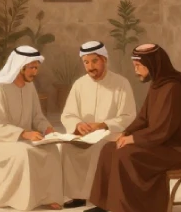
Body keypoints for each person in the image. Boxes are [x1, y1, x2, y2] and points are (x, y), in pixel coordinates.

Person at [88, 43, 181, 212]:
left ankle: (127, 208)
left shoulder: (173, 88)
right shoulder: (158, 84)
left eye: (138, 66)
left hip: (180, 150)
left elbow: (162, 130)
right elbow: (143, 118)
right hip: (162, 143)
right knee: (109, 149)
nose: (136, 70)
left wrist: (132, 139)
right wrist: (126, 132)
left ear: (152, 65)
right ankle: (105, 205)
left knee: (125, 154)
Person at [0, 46, 64, 211]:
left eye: (36, 68)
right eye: (31, 68)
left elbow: (37, 116)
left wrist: (48, 130)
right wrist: (25, 134)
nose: (35, 72)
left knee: (53, 150)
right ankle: (21, 200)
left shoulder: (30, 88)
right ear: (20, 67)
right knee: (24, 152)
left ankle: (48, 197)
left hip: (22, 140)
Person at [58, 41, 137, 209]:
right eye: (86, 62)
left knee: (99, 148)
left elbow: (129, 116)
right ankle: (78, 195)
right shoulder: (79, 84)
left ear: (104, 60)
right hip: (85, 135)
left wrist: (103, 125)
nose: (90, 66)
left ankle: (100, 199)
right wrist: (77, 125)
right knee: (67, 147)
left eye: (94, 61)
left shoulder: (121, 84)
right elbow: (68, 114)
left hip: (110, 134)